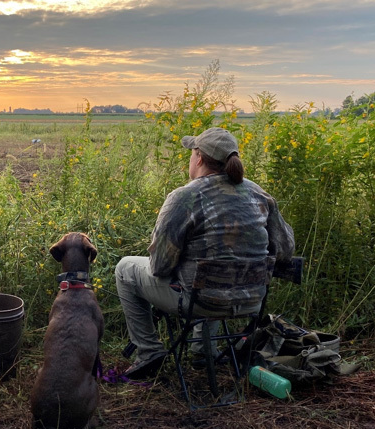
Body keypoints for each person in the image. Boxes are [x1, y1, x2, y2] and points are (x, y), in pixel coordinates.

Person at [115, 127, 295, 379]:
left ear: (198, 157)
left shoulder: (184, 197)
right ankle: (204, 352)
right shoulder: (258, 194)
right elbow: (286, 250)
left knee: (125, 268)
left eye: (191, 153)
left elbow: (159, 267)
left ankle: (149, 351)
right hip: (252, 301)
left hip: (200, 302)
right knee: (207, 271)